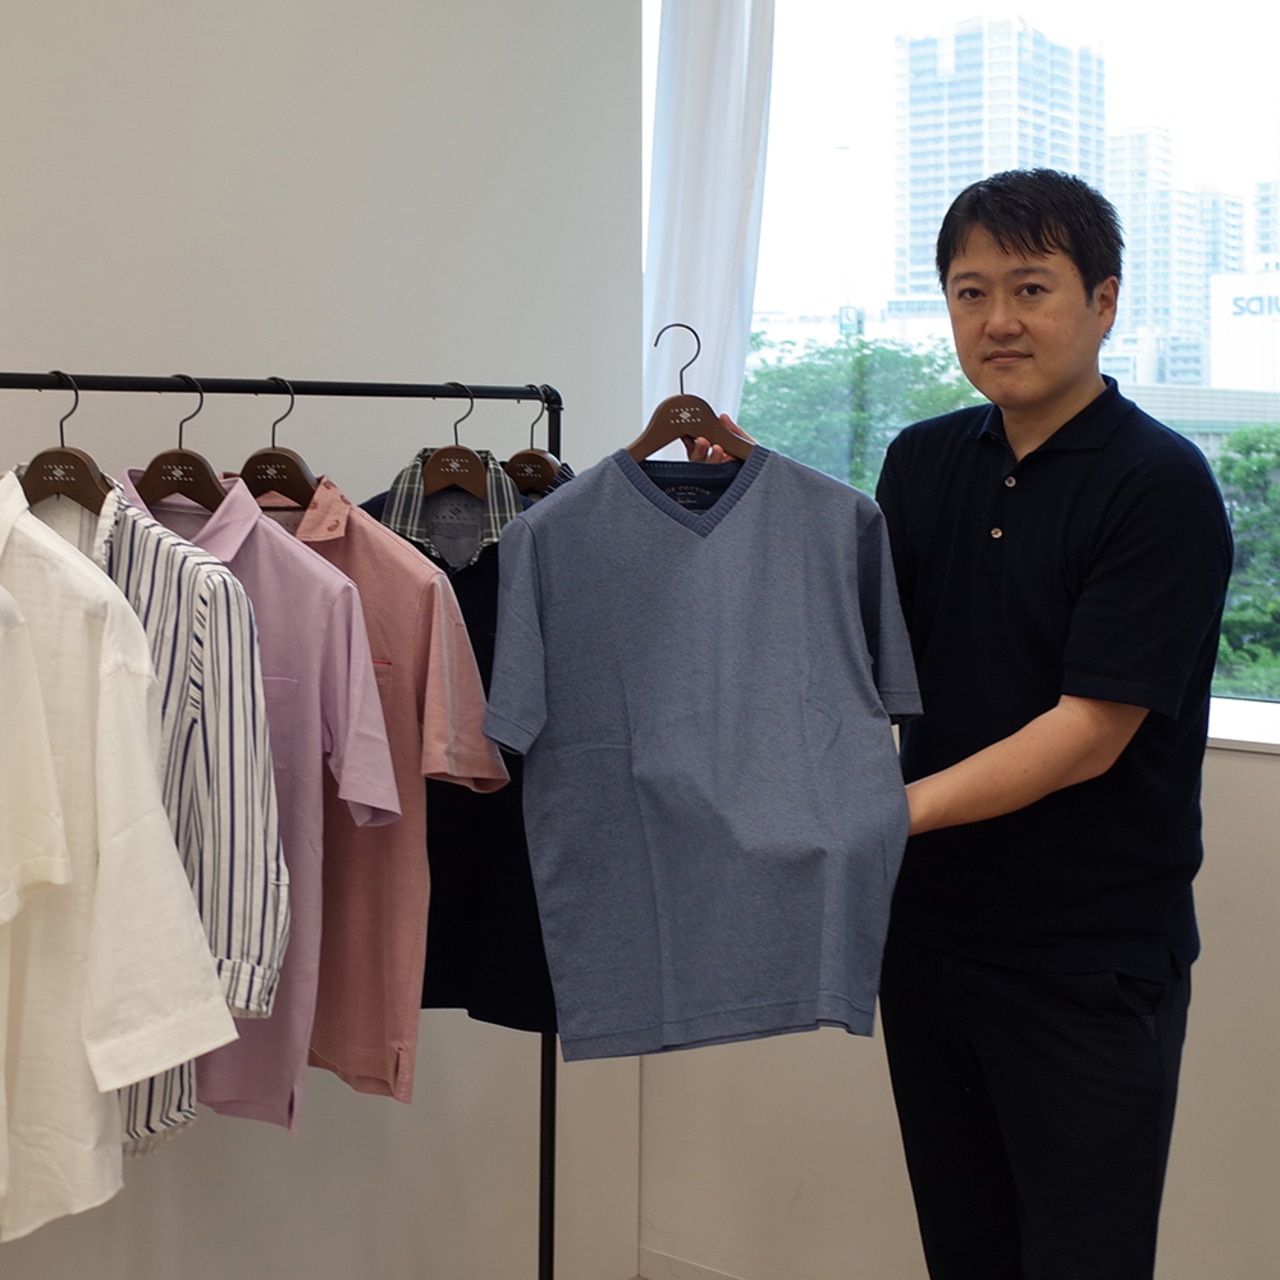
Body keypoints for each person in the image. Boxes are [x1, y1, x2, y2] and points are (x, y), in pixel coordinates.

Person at [690, 168, 1233, 1279]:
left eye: (1030, 288)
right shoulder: (924, 458)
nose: (997, 320)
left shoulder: (1159, 484)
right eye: (968, 292)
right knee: (965, 1250)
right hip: (930, 937)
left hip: (1085, 959)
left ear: (1103, 301)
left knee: (1080, 1258)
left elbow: (1088, 729)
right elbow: (857, 640)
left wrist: (886, 811)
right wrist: (753, 505)